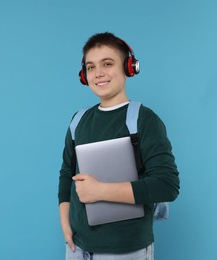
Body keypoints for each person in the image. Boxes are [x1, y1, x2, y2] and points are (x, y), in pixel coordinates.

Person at [58, 32, 180, 260]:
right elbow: (67, 174)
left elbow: (167, 185)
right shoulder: (78, 120)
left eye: (107, 64)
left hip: (126, 250)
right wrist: (66, 225)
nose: (99, 73)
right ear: (84, 75)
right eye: (91, 67)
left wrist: (99, 191)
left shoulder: (143, 119)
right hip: (77, 248)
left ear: (129, 67)